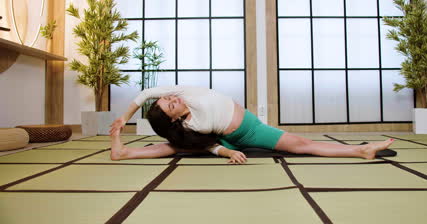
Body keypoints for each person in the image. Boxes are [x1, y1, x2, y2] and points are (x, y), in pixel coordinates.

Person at [109, 85, 394, 164]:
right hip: (240, 135)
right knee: (176, 146)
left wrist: (126, 115)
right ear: (174, 117)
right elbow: (210, 144)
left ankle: (359, 151)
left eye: (168, 98)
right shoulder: (193, 125)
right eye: (169, 104)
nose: (170, 97)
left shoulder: (183, 93)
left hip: (249, 126)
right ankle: (362, 150)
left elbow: (146, 93)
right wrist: (227, 152)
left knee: (301, 145)